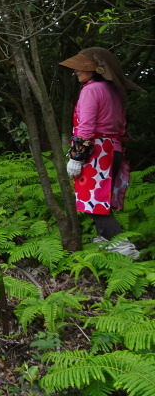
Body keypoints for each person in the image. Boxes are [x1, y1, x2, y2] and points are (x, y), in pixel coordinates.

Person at [59, 47, 144, 259]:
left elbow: (86, 127)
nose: (76, 72)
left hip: (97, 152)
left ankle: (125, 251)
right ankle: (107, 247)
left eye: (81, 68)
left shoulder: (91, 90)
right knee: (100, 201)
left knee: (94, 205)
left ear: (97, 69)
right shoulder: (114, 91)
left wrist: (76, 157)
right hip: (113, 150)